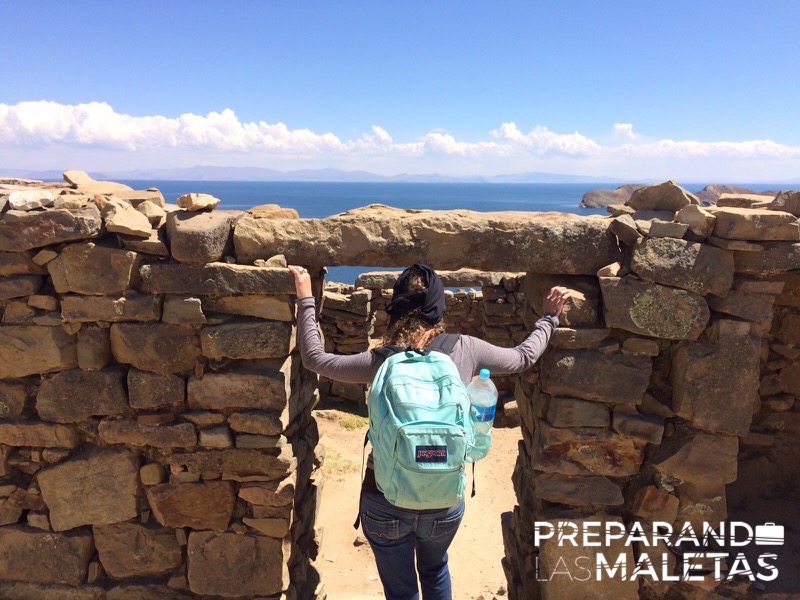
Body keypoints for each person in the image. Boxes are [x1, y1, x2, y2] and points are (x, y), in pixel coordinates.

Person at [288, 264, 570, 600]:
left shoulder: (381, 360)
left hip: (384, 499)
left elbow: (316, 359)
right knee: (435, 571)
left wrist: (306, 298)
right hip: (443, 497)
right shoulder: (466, 349)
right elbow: (523, 358)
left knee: (401, 590)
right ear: (439, 307)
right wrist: (549, 318)